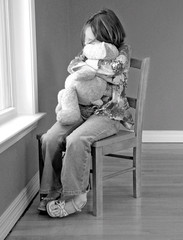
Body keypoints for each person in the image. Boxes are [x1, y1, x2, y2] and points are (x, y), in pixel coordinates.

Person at [38, 8, 133, 218]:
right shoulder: (87, 52)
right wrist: (88, 65)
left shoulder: (122, 52)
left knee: (76, 140)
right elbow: (73, 66)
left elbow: (114, 70)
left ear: (106, 38)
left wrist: (88, 66)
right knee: (50, 138)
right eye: (86, 43)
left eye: (92, 42)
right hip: (80, 109)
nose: (87, 46)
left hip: (108, 113)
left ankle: (76, 197)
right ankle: (53, 190)